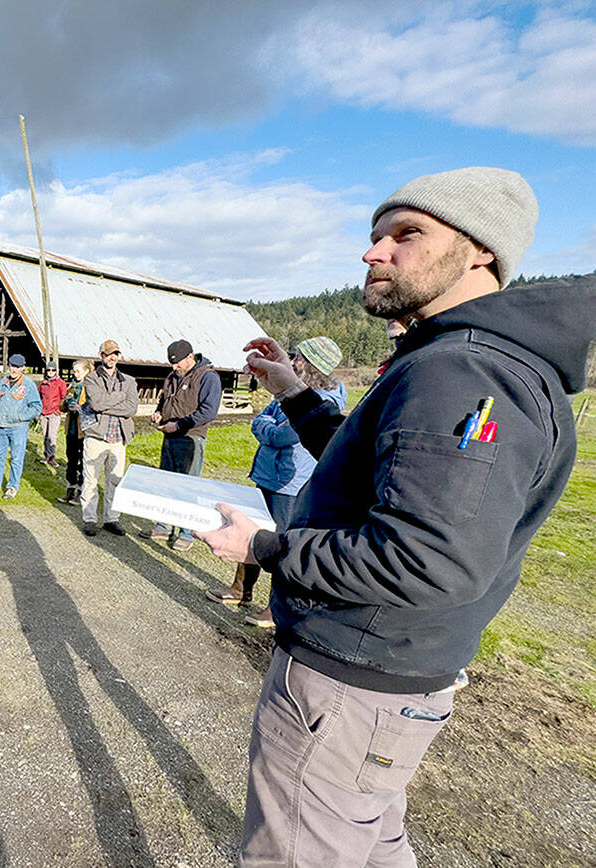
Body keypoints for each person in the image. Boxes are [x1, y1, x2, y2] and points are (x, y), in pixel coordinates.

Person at [196, 167, 592, 867]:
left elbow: (425, 559)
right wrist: (293, 392)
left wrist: (261, 544)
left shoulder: (462, 373)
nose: (374, 251)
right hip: (392, 675)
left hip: (350, 681)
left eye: (407, 234)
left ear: (480, 252)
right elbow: (381, 471)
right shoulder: (467, 358)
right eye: (376, 235)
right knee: (372, 839)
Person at [207, 336, 347, 628]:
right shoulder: (289, 392)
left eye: (300, 359)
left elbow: (281, 435)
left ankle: (275, 608)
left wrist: (268, 427)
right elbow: (262, 421)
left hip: (290, 484)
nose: (294, 362)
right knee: (251, 529)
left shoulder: (325, 401)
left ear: (314, 367)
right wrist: (267, 425)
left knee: (281, 542)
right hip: (268, 476)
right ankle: (240, 590)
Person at [142, 339, 221, 550]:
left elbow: (208, 411)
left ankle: (187, 532)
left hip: (190, 437)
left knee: (189, 486)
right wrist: (159, 413)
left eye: (177, 363)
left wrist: (179, 426)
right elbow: (164, 399)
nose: (173, 367)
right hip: (169, 435)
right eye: (171, 363)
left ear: (190, 357)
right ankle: (163, 525)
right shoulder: (172, 376)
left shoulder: (207, 377)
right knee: (165, 482)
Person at [79, 341, 139, 536]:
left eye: (115, 354)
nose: (112, 357)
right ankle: (89, 519)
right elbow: (95, 404)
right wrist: (120, 396)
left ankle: (111, 519)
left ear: (119, 356)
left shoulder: (129, 380)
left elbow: (132, 408)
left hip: (118, 439)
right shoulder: (91, 379)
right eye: (108, 354)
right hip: (96, 436)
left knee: (115, 480)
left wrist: (107, 403)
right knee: (91, 480)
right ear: (101, 355)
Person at [0, 354, 43, 499]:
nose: (14, 369)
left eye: (17, 367)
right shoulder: (3, 381)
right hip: (1, 427)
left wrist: (21, 416)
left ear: (23, 368)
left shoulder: (28, 385)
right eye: (12, 366)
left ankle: (12, 487)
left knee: (16, 459)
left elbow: (37, 407)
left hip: (18, 428)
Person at [57, 359, 93, 504]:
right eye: (74, 371)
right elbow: (61, 408)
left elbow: (94, 408)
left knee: (82, 462)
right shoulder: (72, 385)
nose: (75, 374)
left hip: (83, 430)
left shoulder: (90, 386)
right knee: (71, 461)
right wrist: (66, 402)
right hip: (71, 428)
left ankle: (81, 492)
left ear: (86, 371)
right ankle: (70, 490)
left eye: (78, 371)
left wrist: (81, 409)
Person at [37, 363, 68, 468]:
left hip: (54, 413)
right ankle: (46, 456)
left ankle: (52, 458)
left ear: (56, 371)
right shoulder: (43, 384)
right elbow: (39, 396)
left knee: (52, 436)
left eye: (53, 370)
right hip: (44, 413)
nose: (51, 372)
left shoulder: (60, 383)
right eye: (48, 370)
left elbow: (65, 397)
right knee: (45, 435)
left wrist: (59, 410)